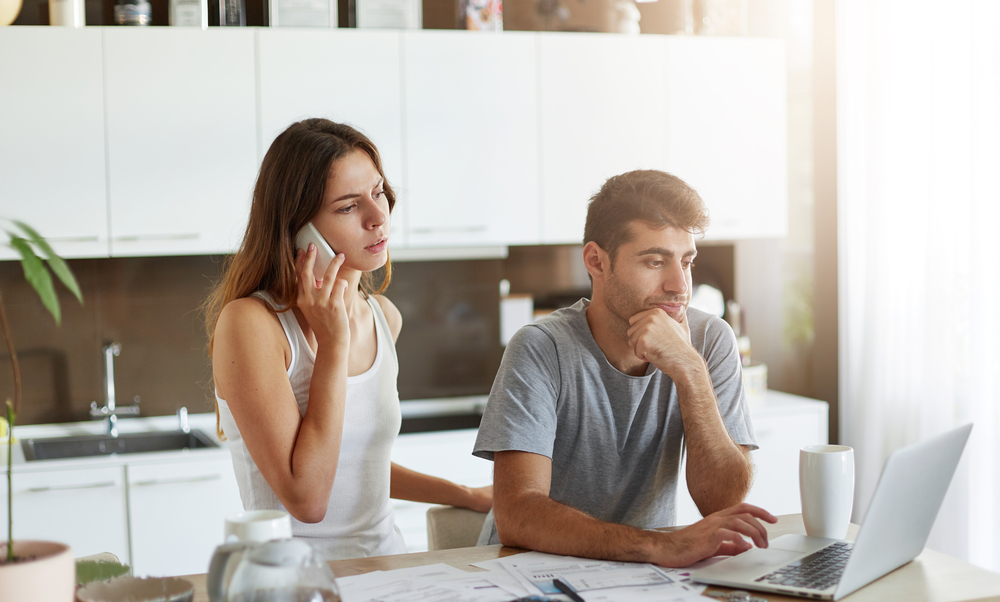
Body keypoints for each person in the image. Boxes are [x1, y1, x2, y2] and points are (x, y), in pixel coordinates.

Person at [204, 119, 492, 560]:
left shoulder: (383, 318)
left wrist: (464, 494)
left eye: (378, 193)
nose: (378, 218)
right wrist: (333, 346)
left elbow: (357, 467)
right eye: (347, 207)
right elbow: (309, 498)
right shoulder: (252, 325)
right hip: (296, 586)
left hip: (391, 569)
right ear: (299, 229)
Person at [473, 169, 777, 567]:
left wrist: (690, 370)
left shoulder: (709, 340)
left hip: (641, 574)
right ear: (596, 261)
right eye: (655, 261)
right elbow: (518, 515)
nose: (679, 286)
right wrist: (658, 546)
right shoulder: (541, 347)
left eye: (686, 262)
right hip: (530, 573)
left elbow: (719, 502)